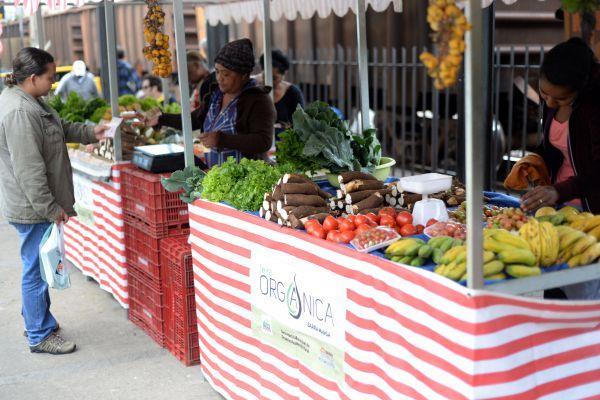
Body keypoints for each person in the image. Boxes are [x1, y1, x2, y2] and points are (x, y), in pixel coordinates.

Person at [0, 48, 109, 354]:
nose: (53, 83)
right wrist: (51, 208)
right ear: (32, 78)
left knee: (37, 266)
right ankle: (39, 334)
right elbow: (29, 171)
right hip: (32, 207)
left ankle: (37, 320)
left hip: (32, 205)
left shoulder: (28, 100)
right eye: (49, 78)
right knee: (36, 270)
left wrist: (92, 132)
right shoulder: (21, 112)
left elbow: (57, 130)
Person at [150, 38, 275, 166]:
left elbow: (263, 141)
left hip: (246, 178)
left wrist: (221, 139)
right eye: (217, 71)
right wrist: (162, 119)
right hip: (217, 176)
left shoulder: (258, 100)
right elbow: (194, 120)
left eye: (226, 74)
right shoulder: (216, 95)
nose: (219, 78)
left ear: (244, 75)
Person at [520, 38, 600, 215]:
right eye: (544, 93)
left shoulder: (593, 106)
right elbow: (556, 146)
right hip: (558, 203)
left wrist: (559, 191)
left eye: (560, 99)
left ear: (580, 89)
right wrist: (533, 160)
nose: (549, 103)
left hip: (591, 208)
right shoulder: (551, 100)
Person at [258, 49, 304, 136]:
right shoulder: (254, 89)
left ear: (284, 75)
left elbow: (300, 124)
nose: (269, 82)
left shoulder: (293, 93)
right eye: (265, 76)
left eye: (274, 78)